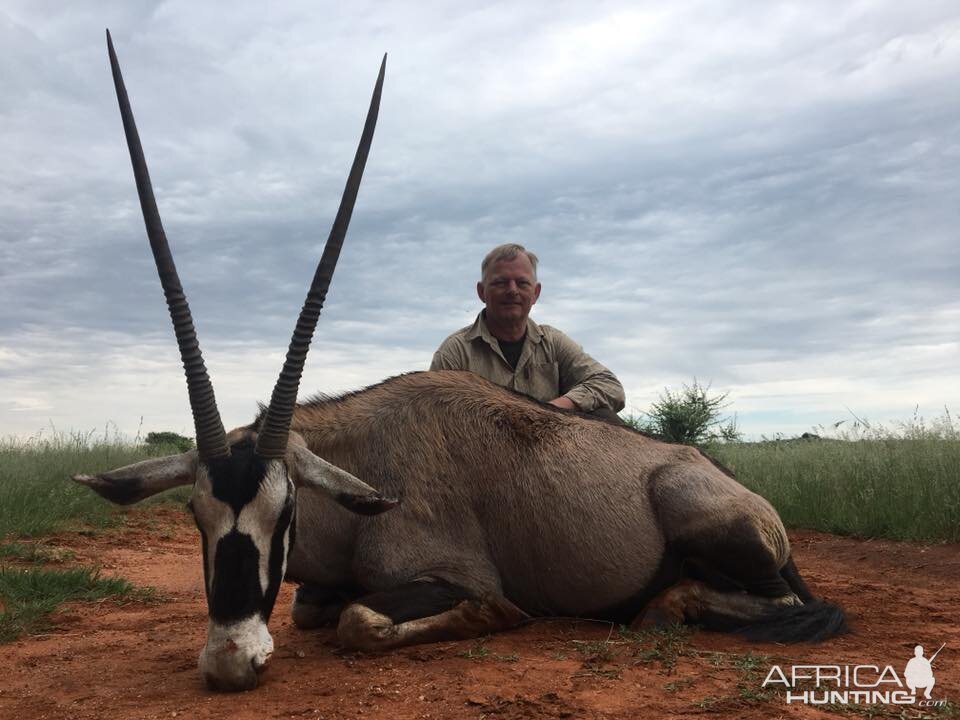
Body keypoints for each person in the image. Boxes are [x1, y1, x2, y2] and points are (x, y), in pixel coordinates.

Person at [430, 243, 625, 418]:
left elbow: (609, 385)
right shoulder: (455, 351)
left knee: (605, 416)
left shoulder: (553, 342)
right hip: (480, 453)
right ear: (482, 292)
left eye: (522, 283)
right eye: (500, 282)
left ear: (535, 293)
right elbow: (431, 414)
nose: (512, 290)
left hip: (550, 450)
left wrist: (550, 411)